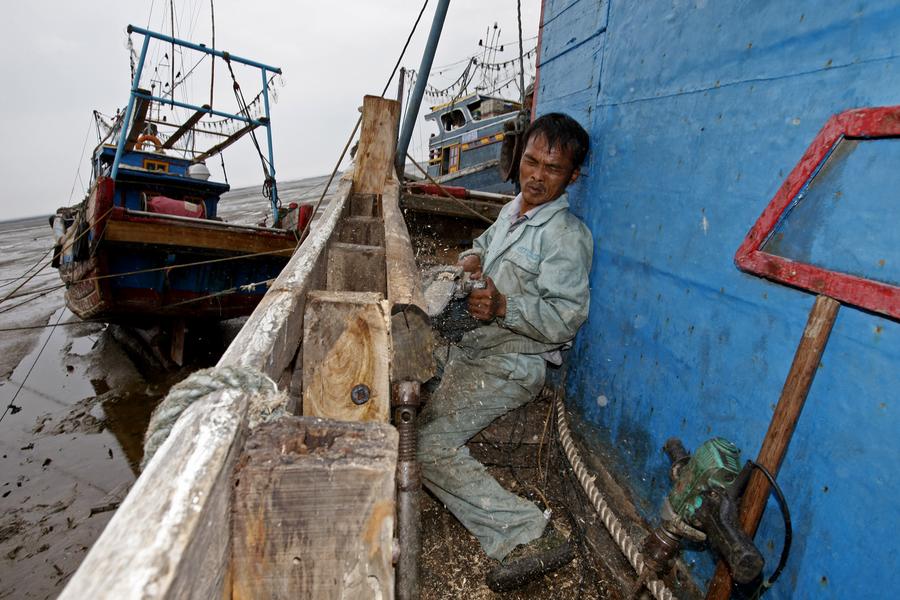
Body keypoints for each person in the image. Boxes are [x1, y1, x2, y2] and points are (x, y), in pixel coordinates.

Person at [418, 112, 593, 591]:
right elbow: (484, 243)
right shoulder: (513, 210)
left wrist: (503, 305)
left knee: (427, 447)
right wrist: (472, 258)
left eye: (551, 169)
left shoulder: (566, 237)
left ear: (572, 176)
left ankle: (529, 532)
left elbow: (567, 318)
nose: (536, 176)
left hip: (511, 363)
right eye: (531, 162)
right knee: (406, 386)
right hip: (471, 347)